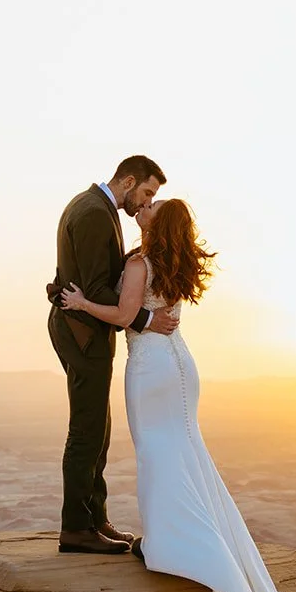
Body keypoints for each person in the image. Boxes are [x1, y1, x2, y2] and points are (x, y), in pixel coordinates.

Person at [61, 199, 296, 592]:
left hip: (150, 369)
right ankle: (181, 529)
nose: (139, 212)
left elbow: (123, 315)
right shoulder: (172, 261)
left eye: (148, 210)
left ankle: (175, 539)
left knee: (160, 453)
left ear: (155, 226)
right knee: (182, 450)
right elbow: (147, 315)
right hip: (180, 366)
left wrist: (78, 304)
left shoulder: (143, 262)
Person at [47, 156, 180, 556]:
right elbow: (94, 289)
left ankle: (95, 518)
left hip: (89, 330)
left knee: (99, 429)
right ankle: (76, 529)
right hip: (83, 333)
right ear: (127, 180)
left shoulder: (97, 209)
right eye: (147, 192)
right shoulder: (92, 213)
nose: (146, 203)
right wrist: (143, 318)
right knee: (86, 431)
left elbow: (86, 282)